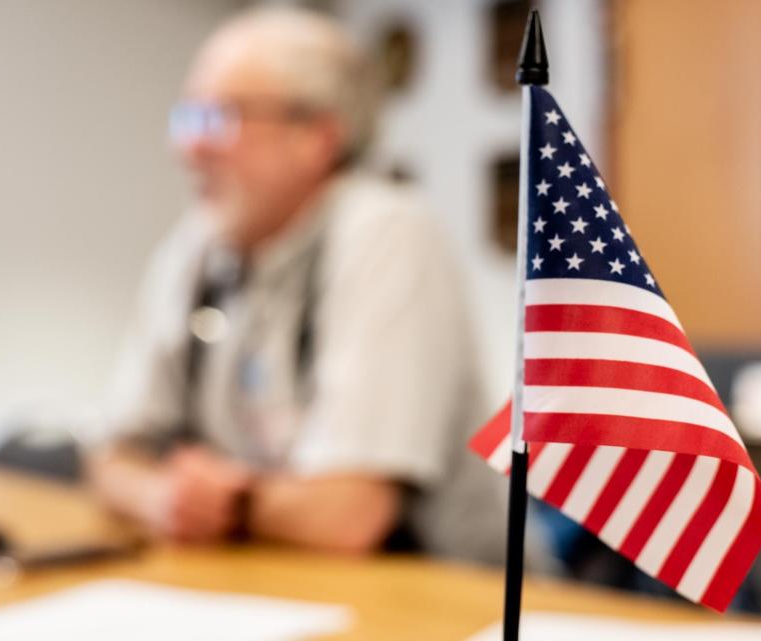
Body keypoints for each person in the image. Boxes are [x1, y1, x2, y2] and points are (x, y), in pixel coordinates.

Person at [87, 6, 512, 564]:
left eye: (217, 118)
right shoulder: (196, 250)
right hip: (273, 587)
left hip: (454, 602)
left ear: (315, 137)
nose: (188, 148)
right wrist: (166, 497)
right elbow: (110, 458)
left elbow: (349, 517)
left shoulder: (388, 233)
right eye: (186, 119)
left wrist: (229, 502)